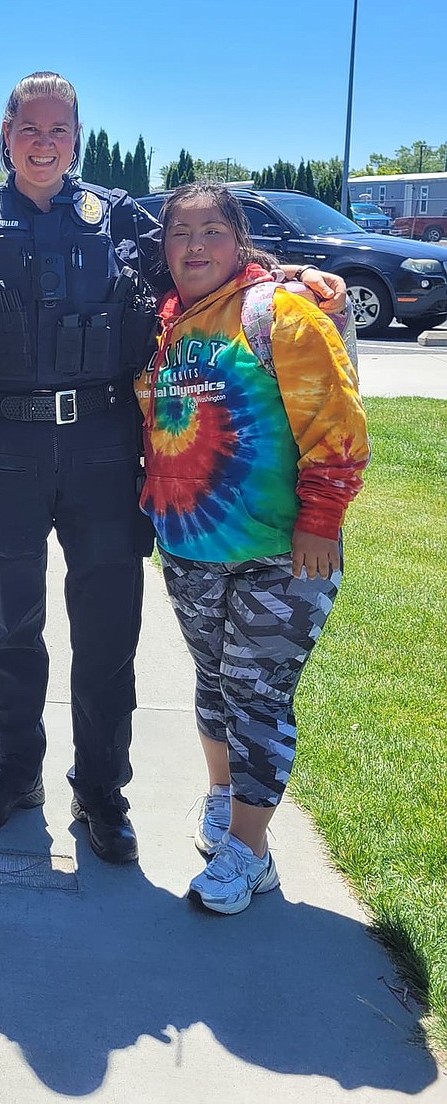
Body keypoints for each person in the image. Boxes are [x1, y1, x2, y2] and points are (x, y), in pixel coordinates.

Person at [0, 71, 347, 864]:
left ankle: (102, 790)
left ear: (77, 138)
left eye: (59, 130)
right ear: (5, 135)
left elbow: (205, 255)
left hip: (105, 448)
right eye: (29, 129)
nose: (44, 143)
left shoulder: (118, 216)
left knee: (107, 632)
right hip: (3, 449)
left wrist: (284, 272)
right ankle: (15, 773)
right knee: (12, 627)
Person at [135, 183, 368, 914]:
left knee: (256, 695)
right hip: (190, 544)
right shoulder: (165, 324)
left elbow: (337, 424)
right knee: (212, 683)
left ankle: (251, 852)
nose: (194, 246)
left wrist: (321, 518)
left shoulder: (282, 314)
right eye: (180, 233)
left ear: (239, 241)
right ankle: (222, 798)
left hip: (280, 552)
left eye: (211, 231)